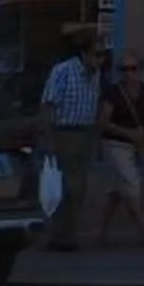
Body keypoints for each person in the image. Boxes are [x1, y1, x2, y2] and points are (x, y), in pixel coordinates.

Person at [38, 29, 103, 251]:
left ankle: (69, 233)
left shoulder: (95, 75)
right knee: (65, 186)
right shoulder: (63, 71)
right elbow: (47, 105)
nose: (100, 60)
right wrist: (50, 138)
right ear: (84, 54)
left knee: (79, 187)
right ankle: (58, 235)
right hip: (64, 132)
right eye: (97, 54)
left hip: (85, 133)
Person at [95, 53, 144, 246]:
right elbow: (103, 122)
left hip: (133, 145)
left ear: (140, 71)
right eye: (123, 69)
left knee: (118, 189)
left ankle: (102, 230)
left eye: (132, 69)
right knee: (131, 183)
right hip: (114, 144)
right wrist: (128, 133)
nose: (128, 73)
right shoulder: (113, 93)